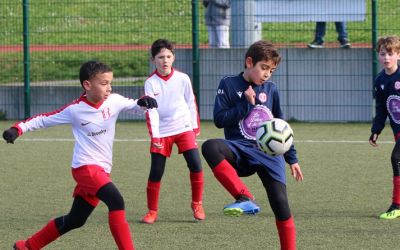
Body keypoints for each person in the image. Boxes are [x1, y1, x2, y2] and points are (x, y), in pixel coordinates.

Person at [3, 60, 158, 250]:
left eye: (110, 82)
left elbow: (135, 106)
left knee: (75, 220)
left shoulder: (114, 100)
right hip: (85, 168)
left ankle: (27, 246)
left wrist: (144, 102)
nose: (109, 87)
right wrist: (17, 129)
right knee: (116, 201)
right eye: (104, 83)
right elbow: (43, 120)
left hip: (102, 170)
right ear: (87, 85)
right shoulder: (75, 110)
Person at [201, 40, 304, 250]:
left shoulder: (271, 89)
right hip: (239, 149)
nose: (267, 74)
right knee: (210, 147)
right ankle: (244, 197)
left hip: (268, 154)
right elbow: (220, 119)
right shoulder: (228, 84)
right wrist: (246, 104)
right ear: (249, 62)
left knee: (281, 205)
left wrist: (291, 158)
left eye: (271, 70)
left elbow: (280, 126)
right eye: (264, 68)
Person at [141, 39, 205, 224]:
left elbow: (190, 102)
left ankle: (197, 204)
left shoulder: (183, 78)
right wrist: (155, 136)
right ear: (154, 59)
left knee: (195, 164)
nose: (165, 60)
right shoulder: (150, 83)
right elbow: (150, 111)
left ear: (173, 57)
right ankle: (152, 211)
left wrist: (195, 127)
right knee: (156, 171)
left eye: (168, 56)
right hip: (162, 132)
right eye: (160, 57)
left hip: (183, 127)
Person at [369, 35, 400, 220]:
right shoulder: (380, 80)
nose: (386, 57)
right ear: (378, 56)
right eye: (383, 54)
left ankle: (396, 205)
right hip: (397, 131)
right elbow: (381, 108)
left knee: (396, 158)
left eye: (391, 53)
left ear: (398, 55)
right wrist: (376, 130)